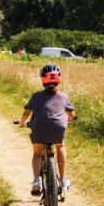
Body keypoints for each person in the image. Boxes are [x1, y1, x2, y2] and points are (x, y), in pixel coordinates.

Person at [17, 64, 75, 196]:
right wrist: (70, 119)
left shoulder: (36, 96)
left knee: (37, 154)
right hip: (58, 128)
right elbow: (71, 115)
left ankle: (36, 181)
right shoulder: (63, 96)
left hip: (39, 128)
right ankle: (62, 179)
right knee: (60, 146)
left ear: (43, 80)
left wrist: (21, 123)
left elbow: (26, 113)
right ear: (58, 80)